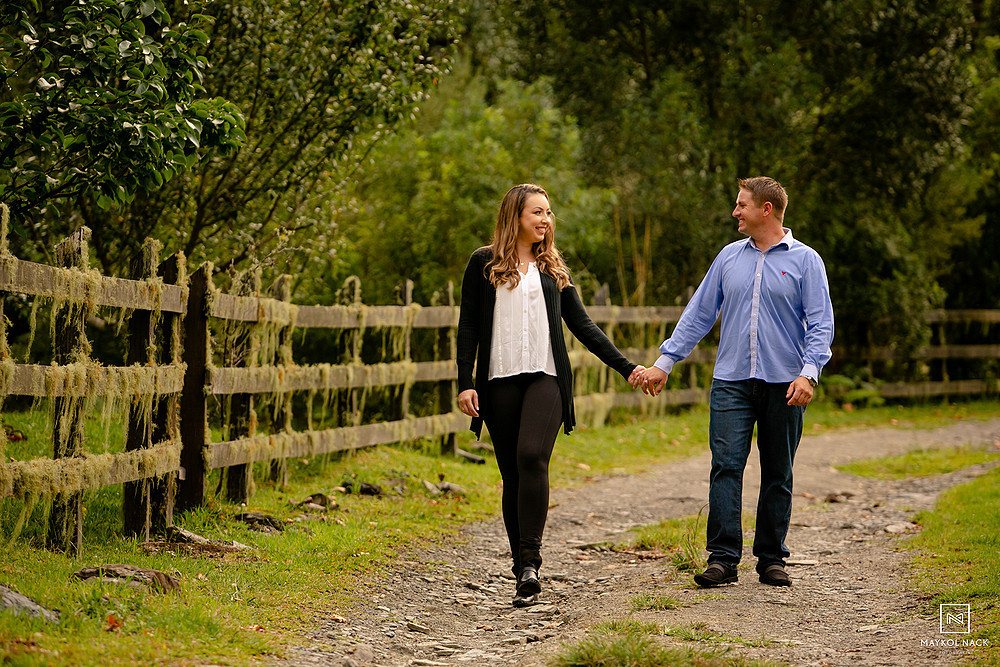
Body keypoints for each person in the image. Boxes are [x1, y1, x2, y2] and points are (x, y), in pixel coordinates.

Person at [457, 183, 645, 607]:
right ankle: (519, 565)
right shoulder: (483, 262)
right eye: (536, 212)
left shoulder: (552, 266)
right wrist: (464, 382)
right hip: (498, 380)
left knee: (530, 456)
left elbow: (582, 325)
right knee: (512, 473)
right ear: (515, 217)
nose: (545, 220)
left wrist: (628, 367)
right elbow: (467, 325)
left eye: (548, 213)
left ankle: (531, 561)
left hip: (546, 377)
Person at [641, 176, 834, 588]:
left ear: (766, 209)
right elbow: (699, 312)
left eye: (741, 205)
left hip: (786, 383)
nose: (735, 212)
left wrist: (809, 372)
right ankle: (723, 558)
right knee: (726, 466)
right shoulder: (729, 257)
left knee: (778, 471)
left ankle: (771, 558)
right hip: (731, 381)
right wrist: (665, 361)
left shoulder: (806, 261)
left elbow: (821, 324)